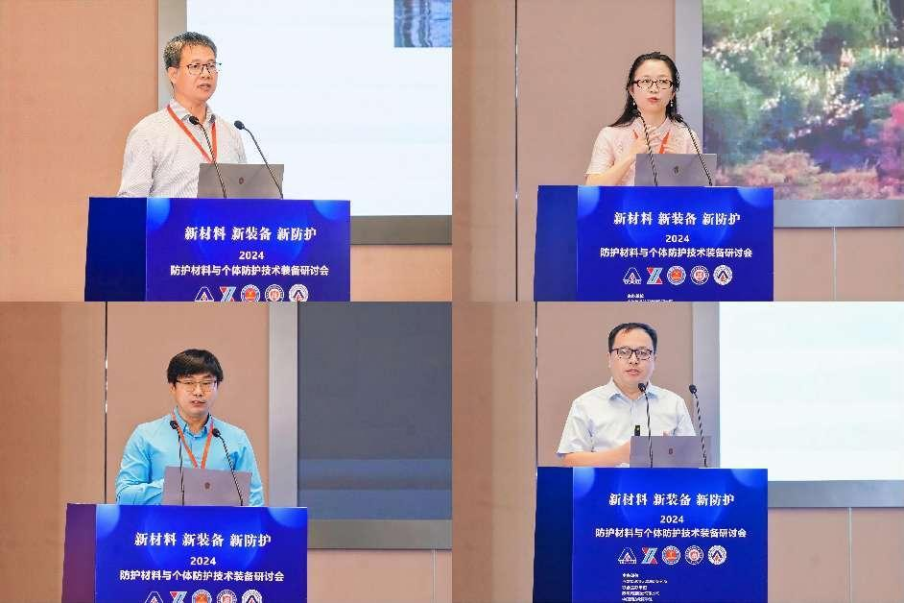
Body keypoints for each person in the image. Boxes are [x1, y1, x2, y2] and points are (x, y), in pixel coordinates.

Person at [115, 349, 264, 506]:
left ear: (217, 386)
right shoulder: (145, 436)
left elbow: (254, 503)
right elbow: (124, 496)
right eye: (188, 383)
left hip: (220, 523)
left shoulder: (235, 439)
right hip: (164, 523)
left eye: (207, 383)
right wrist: (174, 487)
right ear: (173, 387)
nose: (198, 392)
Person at [117, 32, 246, 198]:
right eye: (195, 66)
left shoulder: (230, 133)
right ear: (173, 74)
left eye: (211, 65)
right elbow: (130, 201)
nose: (206, 73)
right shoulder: (148, 132)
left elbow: (244, 196)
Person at [557, 322, 695, 467]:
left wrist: (672, 454)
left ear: (654, 360)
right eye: (623, 352)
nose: (634, 360)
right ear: (609, 359)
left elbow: (693, 463)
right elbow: (570, 461)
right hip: (606, 483)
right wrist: (619, 455)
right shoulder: (585, 405)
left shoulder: (674, 404)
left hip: (658, 482)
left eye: (643, 353)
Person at [585, 51, 701, 186]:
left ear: (673, 93)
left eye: (663, 81)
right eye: (646, 81)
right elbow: (591, 188)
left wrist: (680, 170)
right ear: (631, 90)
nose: (654, 89)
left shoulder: (688, 137)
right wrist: (630, 156)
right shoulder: (611, 135)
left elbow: (701, 193)